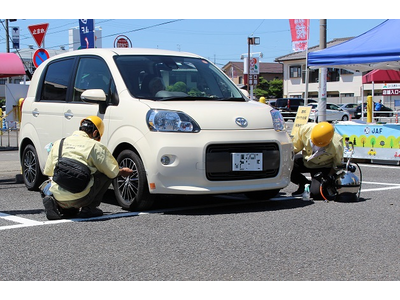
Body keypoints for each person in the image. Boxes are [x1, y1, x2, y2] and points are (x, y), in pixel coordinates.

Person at [41, 116, 133, 220]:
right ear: (94, 133)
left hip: (59, 196)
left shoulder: (59, 143)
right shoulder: (95, 145)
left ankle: (61, 206)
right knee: (104, 173)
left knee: (50, 181)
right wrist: (122, 172)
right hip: (82, 198)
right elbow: (112, 172)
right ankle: (89, 208)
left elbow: (48, 171)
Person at [290, 122, 343, 197]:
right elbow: (294, 148)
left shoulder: (337, 144)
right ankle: (303, 183)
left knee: (316, 193)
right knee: (287, 165)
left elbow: (337, 164)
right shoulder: (305, 130)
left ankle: (320, 186)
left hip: (323, 166)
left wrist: (329, 177)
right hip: (307, 160)